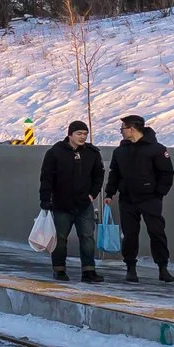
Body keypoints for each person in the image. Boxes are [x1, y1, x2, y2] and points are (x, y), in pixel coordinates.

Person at [104, 114, 174, 283]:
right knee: (129, 234)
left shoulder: (157, 149)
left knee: (156, 232)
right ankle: (130, 268)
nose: (121, 132)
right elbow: (114, 173)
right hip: (127, 198)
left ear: (132, 129)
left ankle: (163, 268)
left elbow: (167, 173)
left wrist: (159, 193)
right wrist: (109, 193)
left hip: (150, 199)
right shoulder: (120, 151)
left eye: (123, 128)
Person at [37, 119, 104, 283]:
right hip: (62, 204)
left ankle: (89, 271)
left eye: (85, 134)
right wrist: (45, 199)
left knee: (87, 237)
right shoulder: (55, 153)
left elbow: (98, 175)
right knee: (60, 239)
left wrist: (92, 194)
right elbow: (46, 178)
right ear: (70, 134)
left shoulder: (92, 153)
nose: (82, 137)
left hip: (84, 204)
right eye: (79, 133)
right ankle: (59, 269)